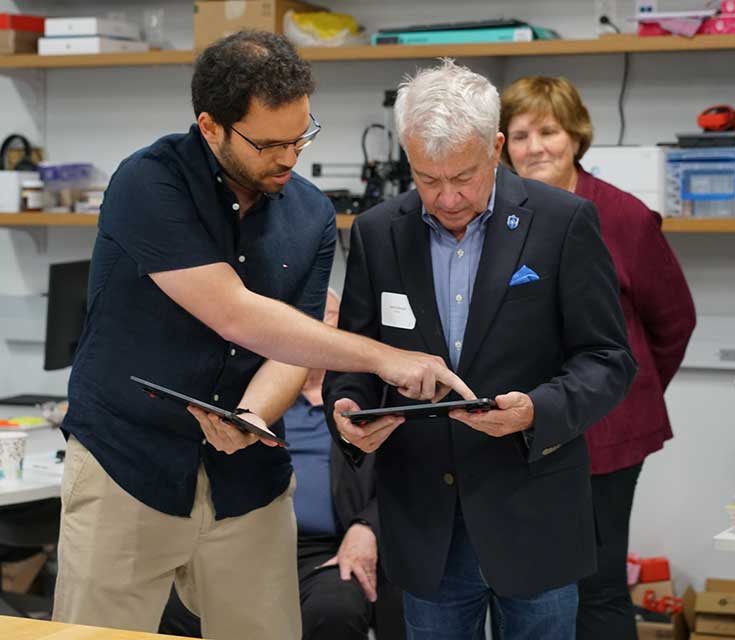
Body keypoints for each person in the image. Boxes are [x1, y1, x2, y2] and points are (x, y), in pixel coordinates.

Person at [52, 32, 471, 640]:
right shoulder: (149, 184)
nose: (289, 157)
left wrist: (250, 415)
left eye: (302, 135)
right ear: (211, 126)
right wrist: (385, 358)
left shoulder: (310, 215)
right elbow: (236, 314)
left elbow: (291, 344)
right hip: (129, 464)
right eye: (269, 143)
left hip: (248, 481)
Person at [323, 59, 637, 640]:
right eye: (426, 177)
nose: (445, 197)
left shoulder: (562, 222)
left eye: (463, 176)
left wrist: (537, 411)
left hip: (532, 511)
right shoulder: (377, 231)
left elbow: (609, 360)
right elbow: (357, 358)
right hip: (425, 522)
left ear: (496, 147)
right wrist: (347, 412)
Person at [500, 75, 697, 640]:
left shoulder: (625, 218)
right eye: (520, 135)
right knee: (531, 582)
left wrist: (627, 390)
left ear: (576, 136)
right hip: (525, 426)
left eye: (548, 131)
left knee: (599, 583)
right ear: (502, 145)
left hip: (606, 433)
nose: (535, 147)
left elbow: (674, 322)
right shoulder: (503, 216)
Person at [158, 291, 405, 640]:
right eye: (301, 318)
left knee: (334, 610)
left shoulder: (365, 404)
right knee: (175, 608)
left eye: (327, 315)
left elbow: (405, 480)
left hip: (327, 551)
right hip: (249, 541)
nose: (311, 327)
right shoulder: (258, 398)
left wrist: (368, 528)